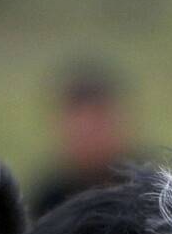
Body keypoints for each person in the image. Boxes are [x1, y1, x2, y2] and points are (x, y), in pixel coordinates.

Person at [31, 61, 140, 220]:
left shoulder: (151, 192)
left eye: (98, 125)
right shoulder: (47, 202)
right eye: (82, 131)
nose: (91, 140)